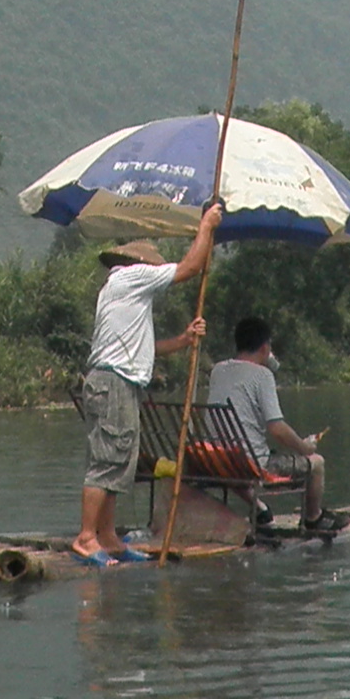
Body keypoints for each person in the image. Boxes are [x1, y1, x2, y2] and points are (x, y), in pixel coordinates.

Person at [77, 203, 222, 564]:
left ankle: (108, 537)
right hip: (113, 382)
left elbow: (148, 349)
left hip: (118, 382)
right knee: (108, 458)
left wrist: (185, 340)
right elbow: (191, 267)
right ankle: (85, 538)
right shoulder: (130, 278)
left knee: (121, 458)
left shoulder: (125, 297)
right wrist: (207, 225)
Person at [202, 315, 332, 533]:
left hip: (216, 459)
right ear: (264, 347)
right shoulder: (263, 375)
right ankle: (313, 518)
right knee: (317, 463)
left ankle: (261, 511)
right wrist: (304, 447)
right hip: (250, 463)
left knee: (236, 462)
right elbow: (277, 429)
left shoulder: (218, 369)